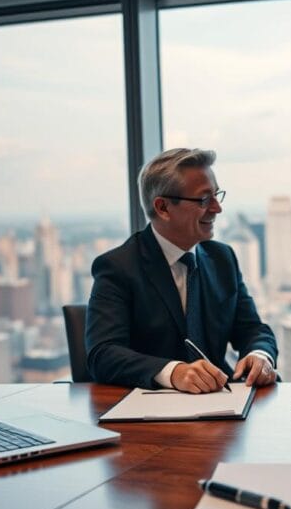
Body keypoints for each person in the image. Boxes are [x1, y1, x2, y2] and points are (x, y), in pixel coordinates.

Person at [85, 148, 278, 393]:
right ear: (163, 208)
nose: (217, 208)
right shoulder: (118, 267)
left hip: (223, 405)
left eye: (217, 195)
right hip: (151, 413)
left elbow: (252, 329)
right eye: (204, 199)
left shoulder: (222, 258)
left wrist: (259, 354)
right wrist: (173, 372)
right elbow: (103, 354)